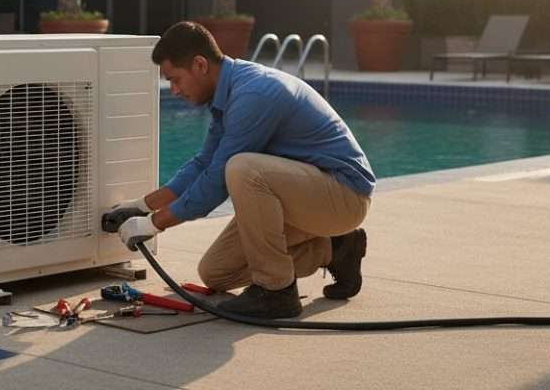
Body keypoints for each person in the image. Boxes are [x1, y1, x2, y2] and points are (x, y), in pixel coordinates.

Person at [105, 21, 375, 319]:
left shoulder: (254, 95)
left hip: (344, 197)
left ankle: (276, 293)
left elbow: (215, 182)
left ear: (199, 65)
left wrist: (153, 225)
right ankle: (336, 249)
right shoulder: (229, 94)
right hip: (307, 199)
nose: (175, 90)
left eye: (175, 79)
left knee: (242, 169)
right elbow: (202, 164)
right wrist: (140, 207)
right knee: (216, 272)